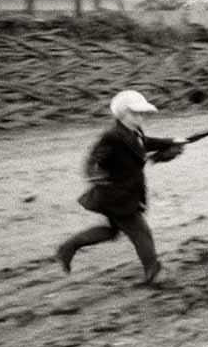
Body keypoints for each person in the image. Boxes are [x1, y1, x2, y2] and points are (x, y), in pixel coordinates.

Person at [56, 90, 187, 285]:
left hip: (126, 193)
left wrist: (171, 142)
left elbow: (144, 143)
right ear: (123, 115)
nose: (141, 117)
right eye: (135, 113)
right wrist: (95, 176)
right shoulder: (112, 136)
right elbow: (93, 159)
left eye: (142, 113)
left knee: (112, 232)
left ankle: (68, 247)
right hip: (116, 195)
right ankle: (154, 272)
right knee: (141, 232)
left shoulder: (134, 132)